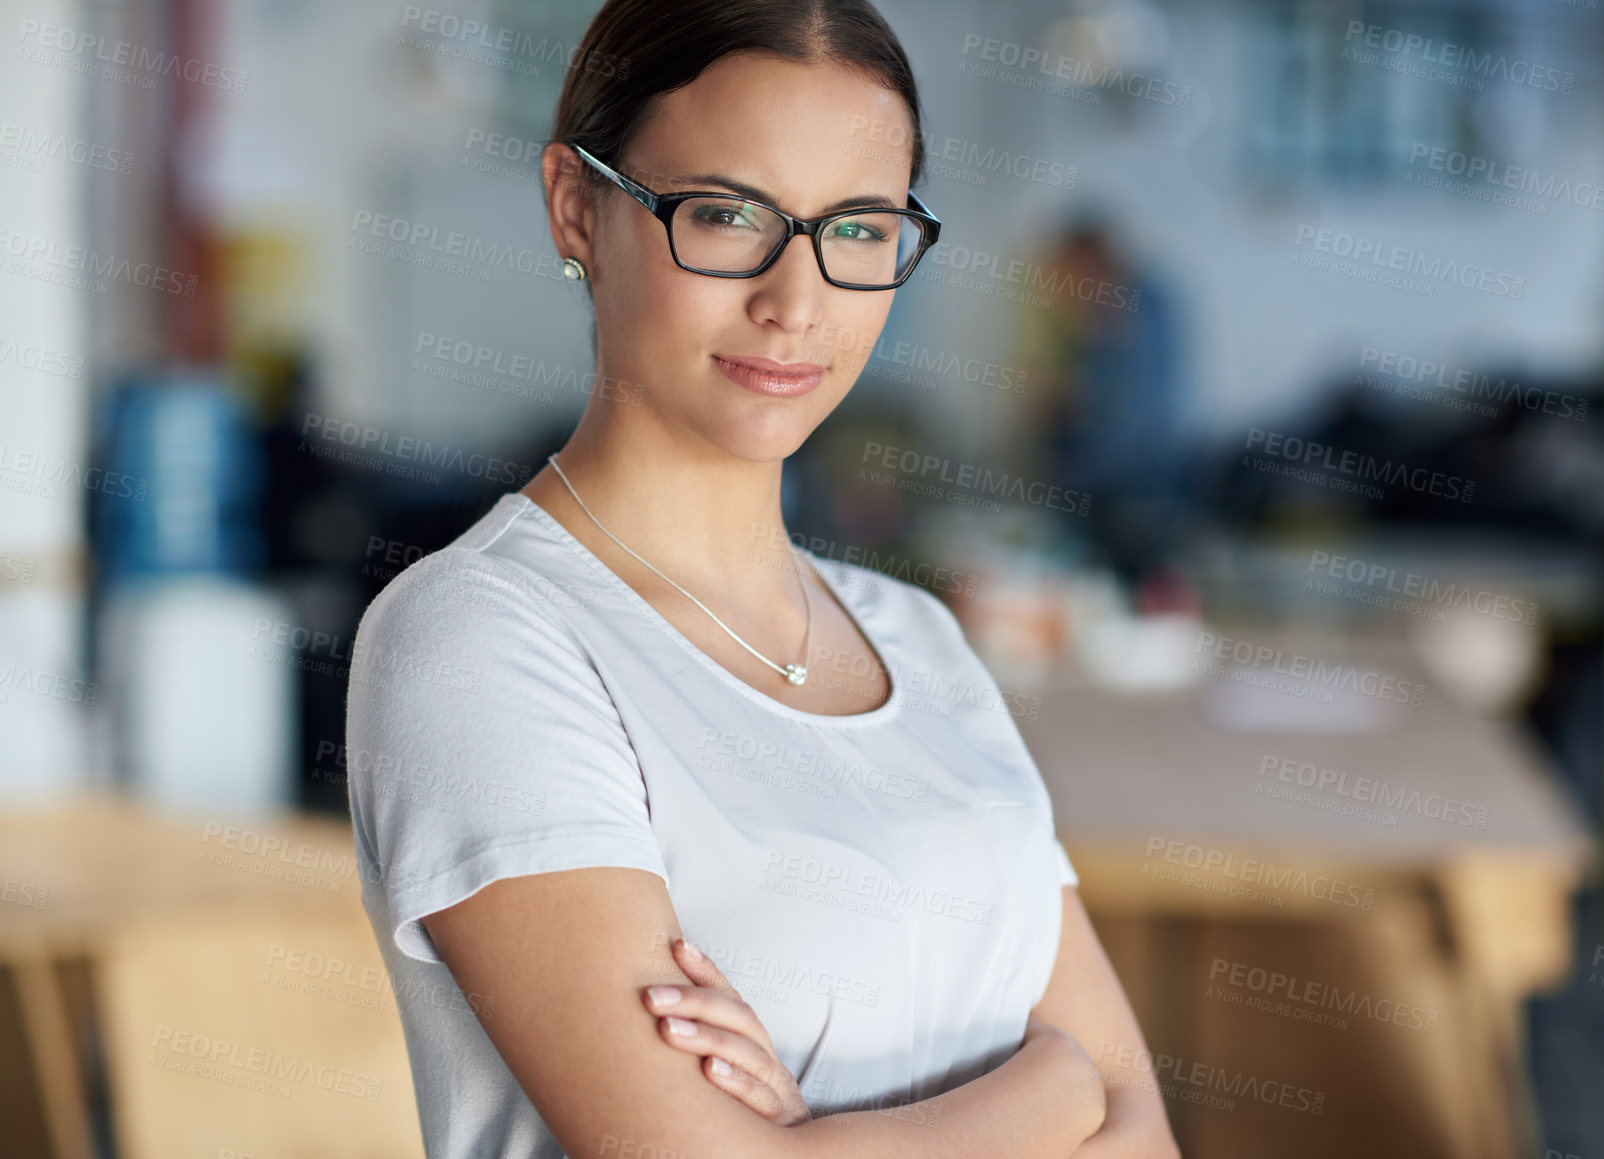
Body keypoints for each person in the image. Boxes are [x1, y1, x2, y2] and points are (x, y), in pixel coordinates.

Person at [344, 2, 1180, 1156]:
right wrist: (1057, 1086)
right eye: (728, 214)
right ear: (576, 205)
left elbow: (1147, 1135)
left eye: (859, 229)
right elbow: (1098, 1093)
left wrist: (829, 1139)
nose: (797, 303)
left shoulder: (919, 636)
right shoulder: (479, 640)